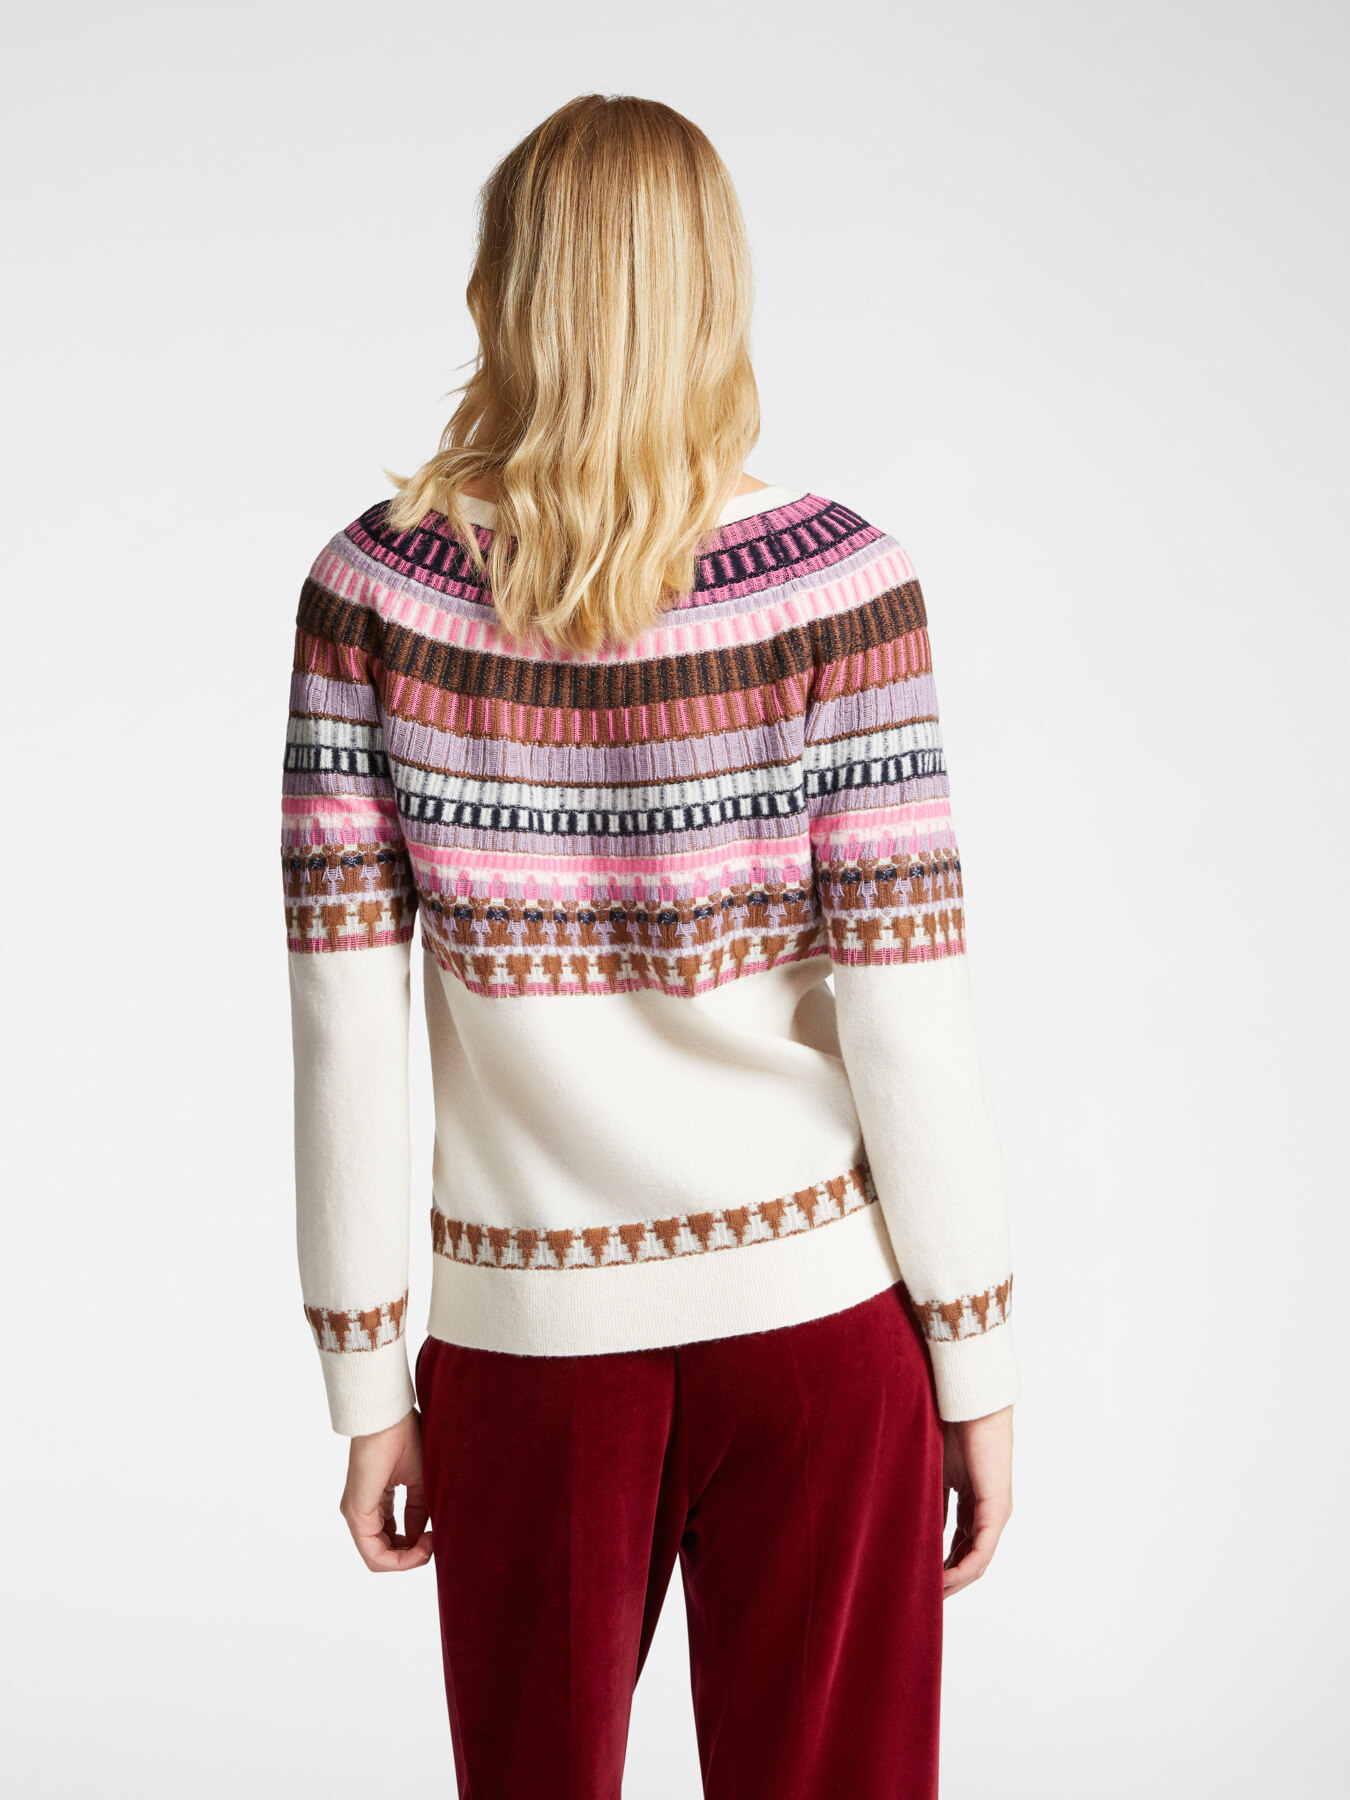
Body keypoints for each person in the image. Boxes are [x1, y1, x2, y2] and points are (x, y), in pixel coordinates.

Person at [281, 91, 1019, 1800]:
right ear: (715, 291)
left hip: (525, 1354)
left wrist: (365, 1381)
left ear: (500, 286)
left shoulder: (371, 591)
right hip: (819, 1332)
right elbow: (905, 1016)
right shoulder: (841, 585)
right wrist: (973, 1359)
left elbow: (343, 1026)